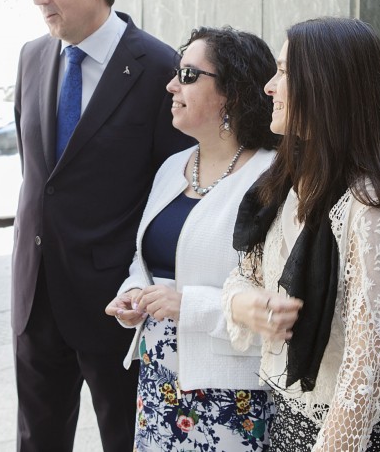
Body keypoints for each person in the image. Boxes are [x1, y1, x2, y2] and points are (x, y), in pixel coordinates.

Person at [12, 0, 193, 452]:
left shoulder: (162, 68)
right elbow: (39, 177)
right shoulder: (32, 57)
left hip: (118, 302)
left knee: (126, 440)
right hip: (35, 296)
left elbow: (174, 192)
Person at [223, 17, 380, 451]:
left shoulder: (369, 206)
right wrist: (249, 303)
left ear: (326, 86)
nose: (269, 87)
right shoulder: (288, 182)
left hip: (348, 435)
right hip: (288, 421)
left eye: (284, 72)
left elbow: (366, 375)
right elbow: (242, 275)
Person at [105, 26, 279, 451]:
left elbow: (283, 304)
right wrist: (133, 294)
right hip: (159, 380)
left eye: (187, 75)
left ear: (231, 93)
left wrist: (189, 306)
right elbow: (144, 264)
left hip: (231, 395)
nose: (170, 85)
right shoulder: (173, 167)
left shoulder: (274, 179)